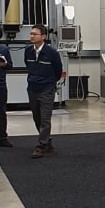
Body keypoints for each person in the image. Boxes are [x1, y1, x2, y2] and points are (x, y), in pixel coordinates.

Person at [25, 25, 64, 159]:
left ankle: (40, 145)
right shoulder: (28, 51)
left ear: (43, 36)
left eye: (35, 34)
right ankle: (47, 141)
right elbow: (28, 66)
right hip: (32, 87)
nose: (32, 36)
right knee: (37, 117)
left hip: (47, 88)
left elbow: (58, 70)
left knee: (45, 118)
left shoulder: (51, 53)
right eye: (31, 34)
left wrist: (50, 82)